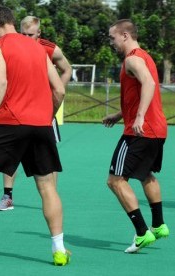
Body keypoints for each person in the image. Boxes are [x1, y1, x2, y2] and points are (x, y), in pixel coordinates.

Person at [0, 6, 70, 266]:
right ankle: (60, 251)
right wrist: (46, 117)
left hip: (8, 123)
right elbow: (60, 90)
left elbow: (1, 82)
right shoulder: (39, 48)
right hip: (41, 125)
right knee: (48, 187)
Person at [103, 19, 169, 253]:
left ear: (124, 35)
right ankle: (159, 224)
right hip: (156, 129)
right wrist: (121, 114)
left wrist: (139, 117)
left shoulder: (132, 58)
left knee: (115, 180)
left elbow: (150, 84)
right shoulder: (145, 56)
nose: (111, 42)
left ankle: (142, 233)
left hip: (140, 130)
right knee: (145, 174)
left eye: (112, 38)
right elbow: (141, 91)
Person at [0, 15, 72, 211]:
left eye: (30, 34)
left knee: (49, 156)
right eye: (23, 33)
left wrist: (54, 97)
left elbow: (66, 70)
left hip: (42, 111)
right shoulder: (10, 46)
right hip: (17, 108)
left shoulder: (49, 49)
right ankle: (7, 196)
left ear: (39, 33)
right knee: (11, 154)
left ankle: (51, 196)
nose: (26, 37)